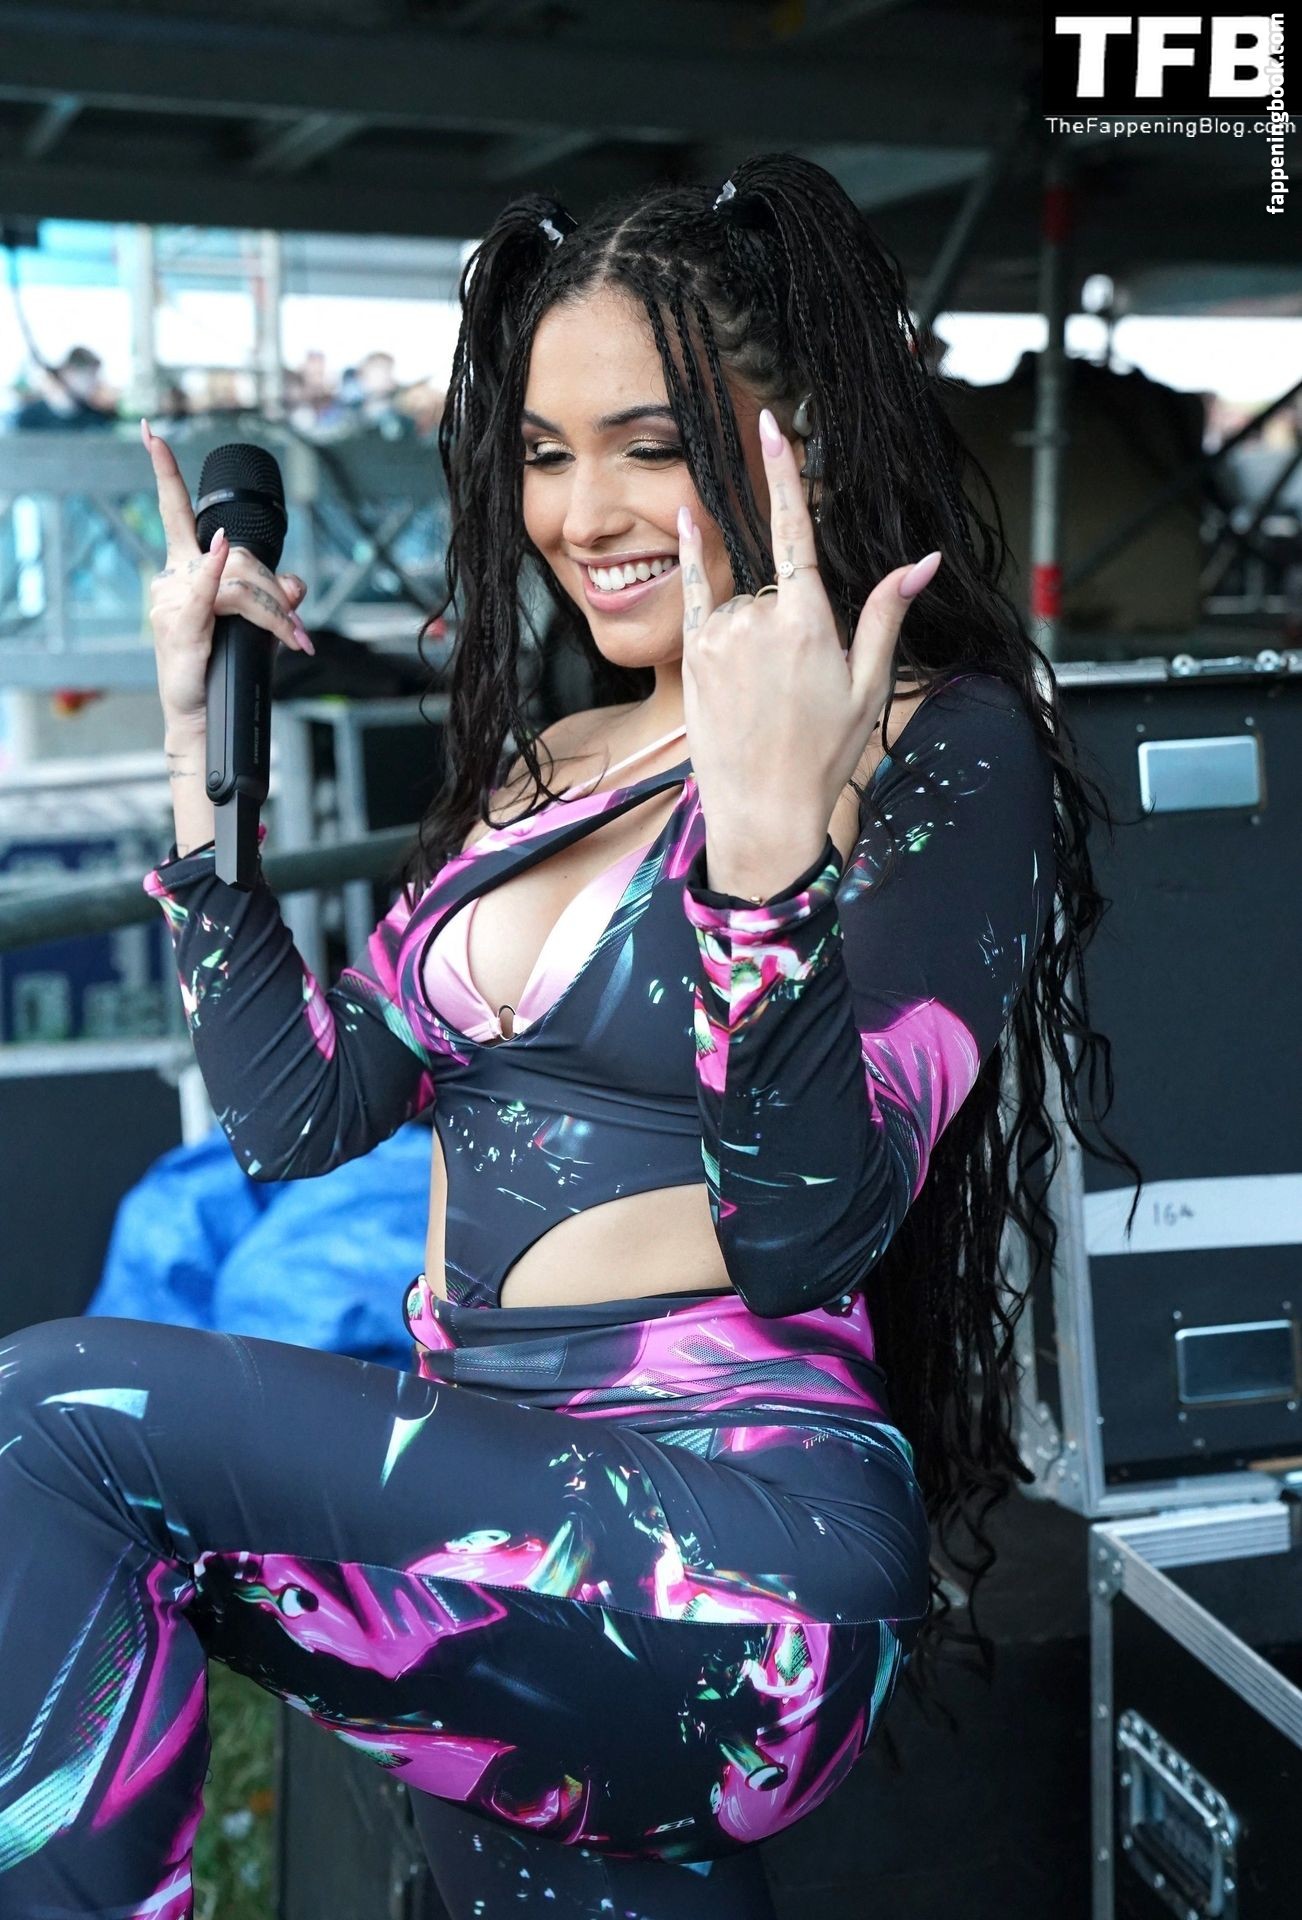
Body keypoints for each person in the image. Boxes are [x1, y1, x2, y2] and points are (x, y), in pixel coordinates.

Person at [0, 154, 1139, 1918]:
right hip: (489, 1500)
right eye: (543, 452)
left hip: (736, 1546)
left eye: (646, 445)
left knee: (48, 1423)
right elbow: (303, 1115)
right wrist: (195, 759)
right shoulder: (548, 764)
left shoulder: (928, 740)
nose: (583, 509)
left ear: (795, 442)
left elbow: (808, 1228)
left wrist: (763, 849)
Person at [10, 346, 116, 431]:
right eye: (90, 376)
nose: (96, 382)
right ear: (69, 373)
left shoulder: (96, 418)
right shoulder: (30, 417)